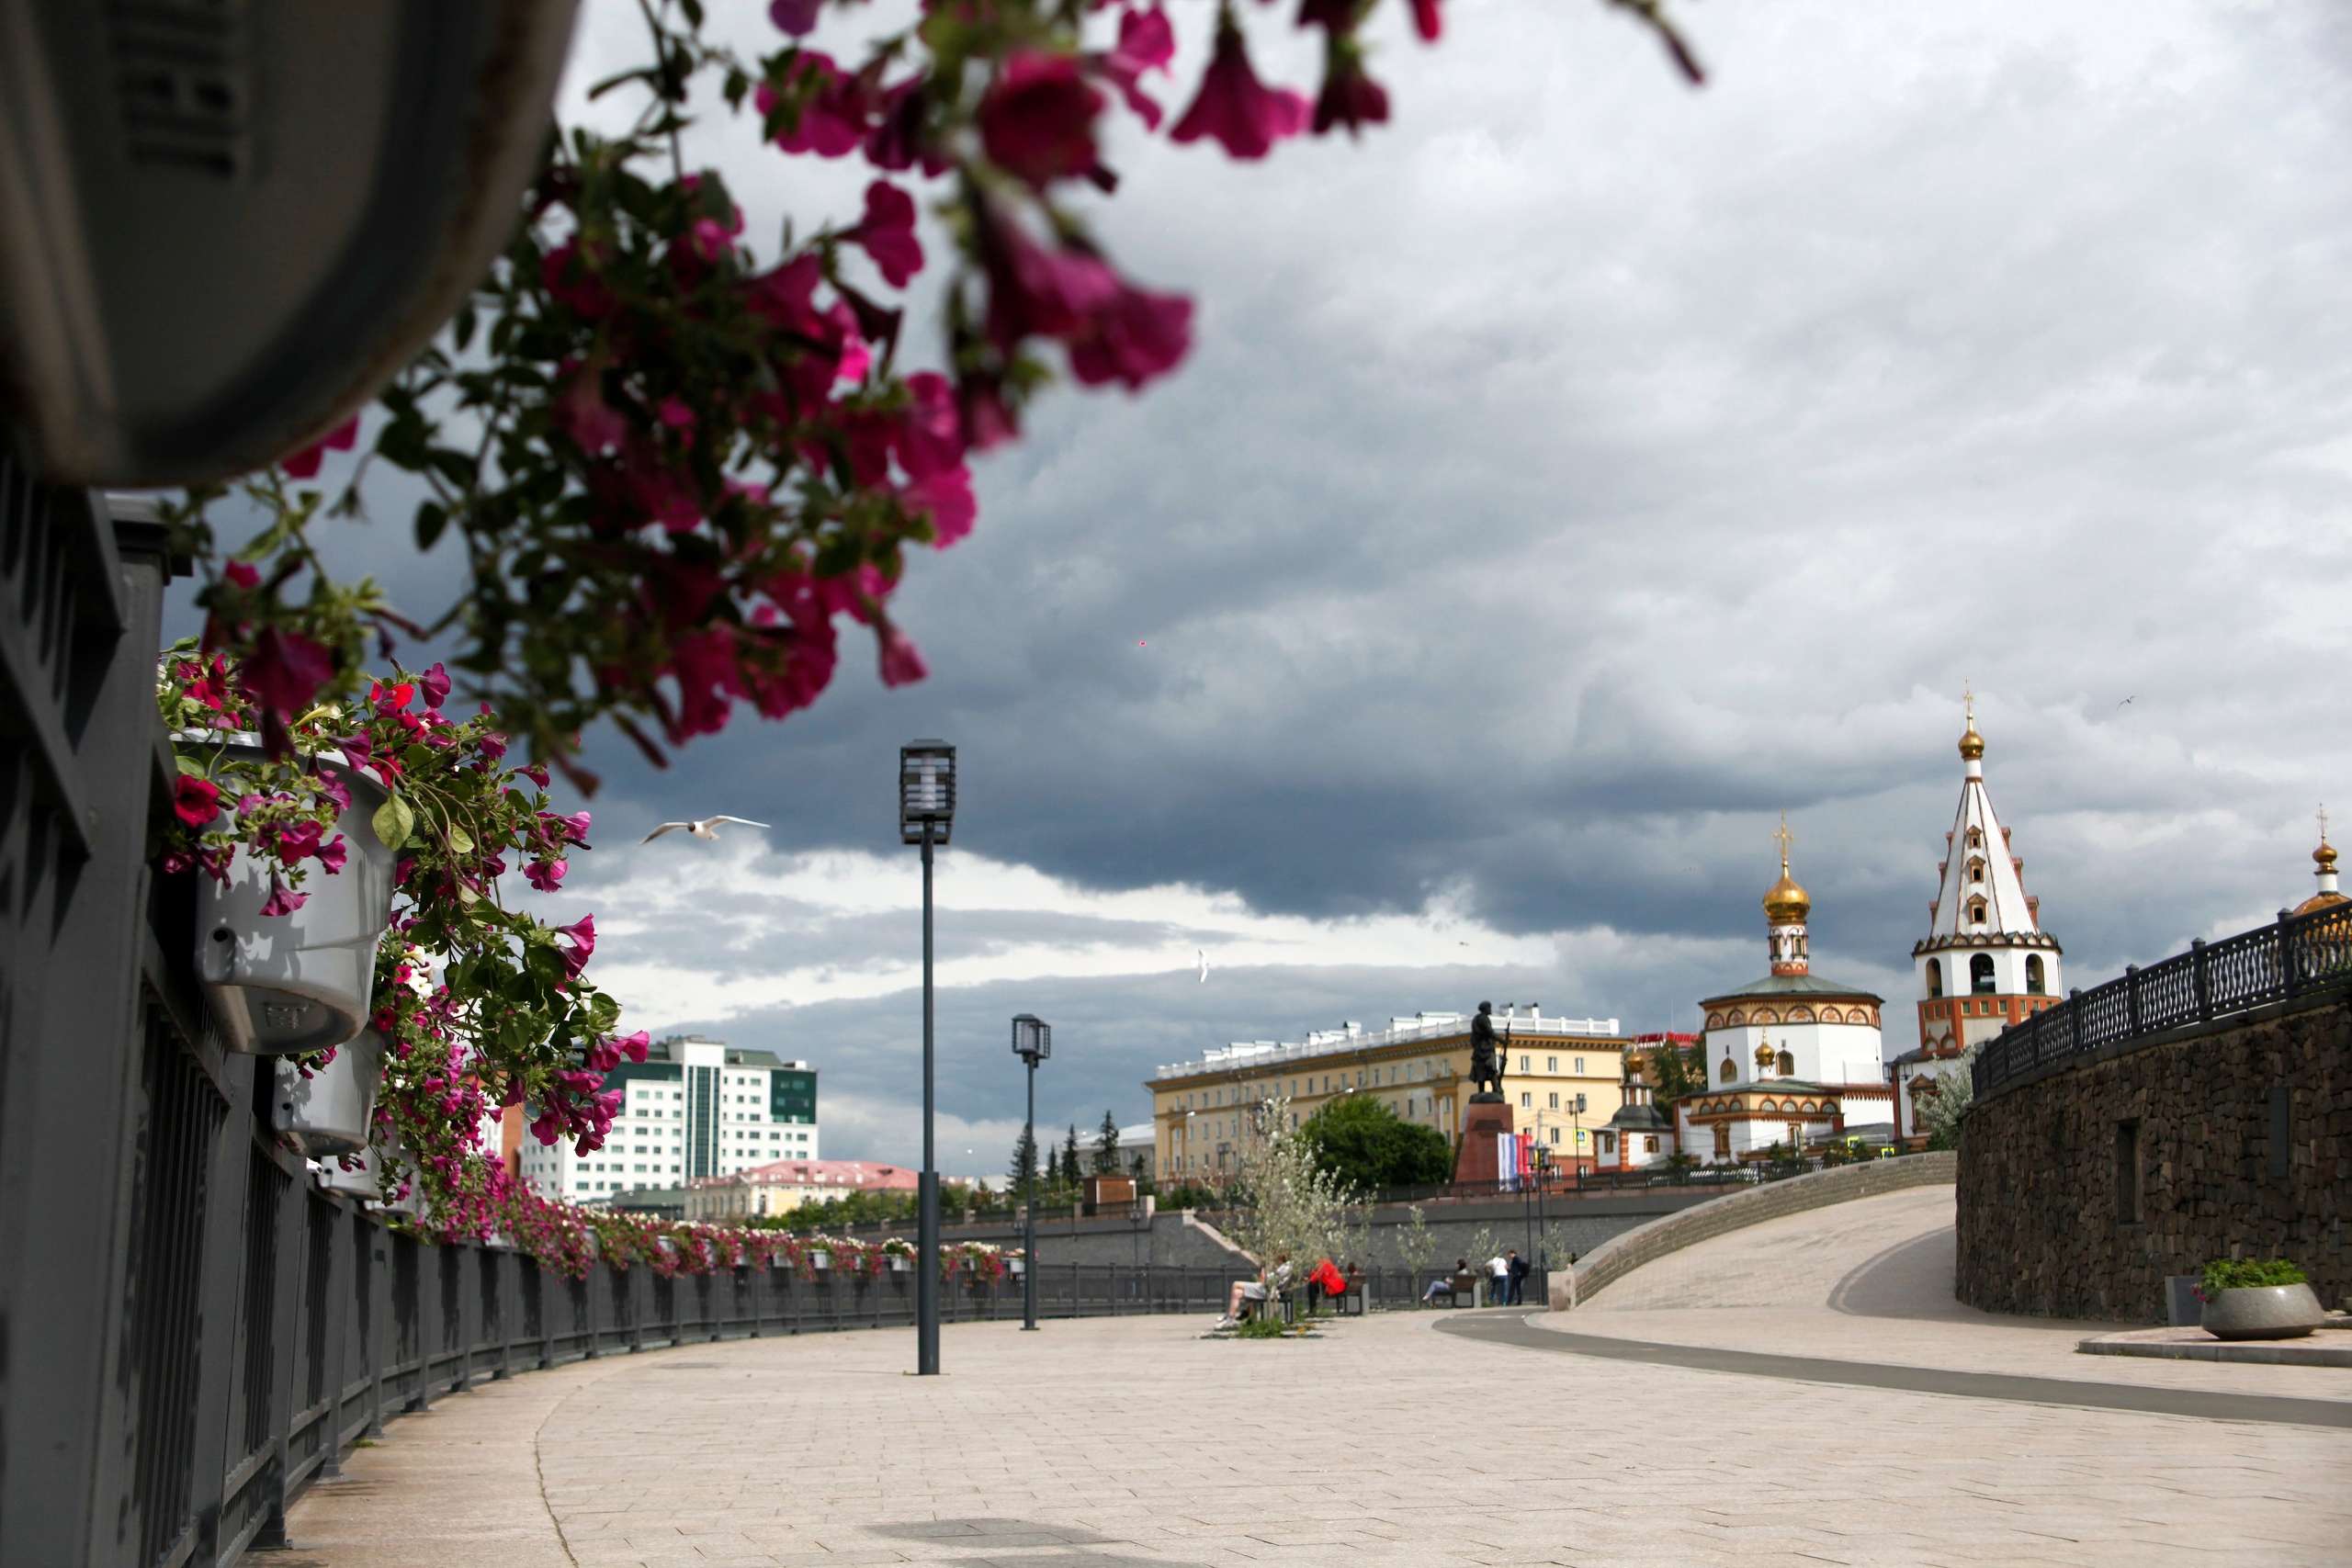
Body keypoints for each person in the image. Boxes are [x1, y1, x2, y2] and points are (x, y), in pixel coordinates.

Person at [1218, 1256, 1291, 1326]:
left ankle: (1231, 1316)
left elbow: (1270, 1279)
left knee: (1236, 1284)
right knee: (1236, 1293)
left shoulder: (1285, 1267)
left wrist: (1265, 1270)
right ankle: (1230, 1316)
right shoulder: (1283, 1266)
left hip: (1269, 1291)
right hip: (1267, 1289)